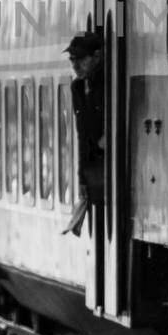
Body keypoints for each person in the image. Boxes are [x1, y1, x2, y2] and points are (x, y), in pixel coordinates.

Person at [63, 31, 106, 236]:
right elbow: (82, 136)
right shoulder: (77, 88)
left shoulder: (108, 84)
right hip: (93, 167)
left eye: (80, 59)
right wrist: (82, 179)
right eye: (72, 59)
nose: (75, 65)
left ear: (97, 56)